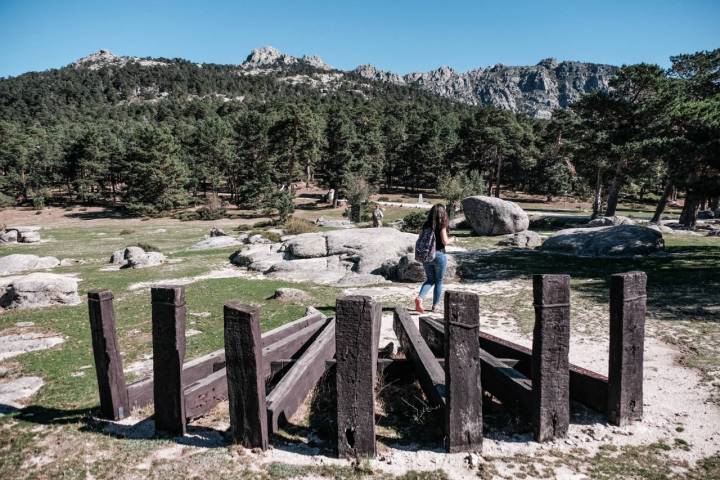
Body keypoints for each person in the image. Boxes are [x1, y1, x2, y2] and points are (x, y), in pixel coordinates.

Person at [415, 204, 454, 313]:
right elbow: (444, 241)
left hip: (427, 255)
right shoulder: (442, 225)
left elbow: (420, 239)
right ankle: (435, 306)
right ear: (443, 213)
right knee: (439, 281)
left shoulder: (426, 225)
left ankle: (419, 298)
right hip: (439, 255)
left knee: (430, 279)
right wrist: (453, 240)